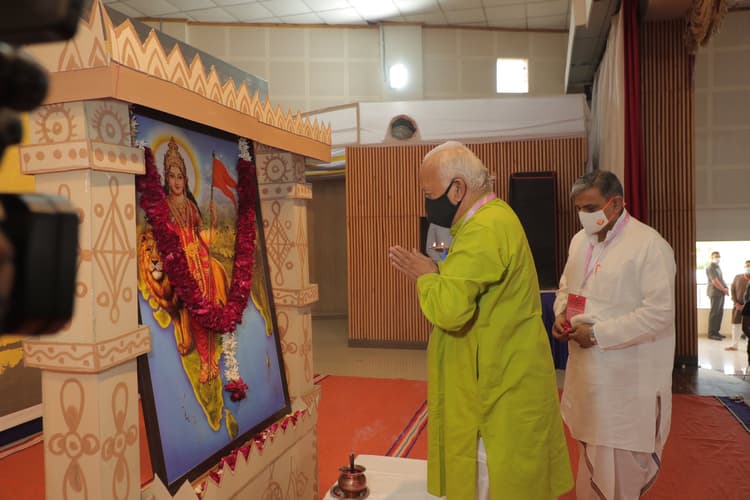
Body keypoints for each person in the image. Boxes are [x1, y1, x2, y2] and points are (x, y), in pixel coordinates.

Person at [388, 141, 573, 500]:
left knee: (494, 481)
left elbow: (450, 310)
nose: (427, 204)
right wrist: (437, 273)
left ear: (457, 189)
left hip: (497, 388)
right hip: (501, 376)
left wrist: (426, 277)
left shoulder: (484, 229)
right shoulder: (492, 218)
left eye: (429, 194)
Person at [552, 170, 675, 500]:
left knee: (618, 483)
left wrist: (598, 334)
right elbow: (567, 286)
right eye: (579, 209)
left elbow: (660, 313)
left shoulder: (649, 245)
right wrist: (562, 315)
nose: (583, 216)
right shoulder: (580, 241)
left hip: (625, 387)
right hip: (587, 379)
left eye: (591, 208)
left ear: (616, 203)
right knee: (590, 476)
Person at [163, 137, 228, 383]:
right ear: (166, 179)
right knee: (196, 319)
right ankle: (205, 362)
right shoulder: (165, 208)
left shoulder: (191, 207)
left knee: (210, 314)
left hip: (202, 264)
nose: (176, 182)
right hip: (183, 268)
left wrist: (214, 220)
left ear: (186, 180)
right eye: (172, 176)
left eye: (180, 177)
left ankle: (213, 362)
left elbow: (204, 239)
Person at [726, 260, 750, 350]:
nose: (748, 268)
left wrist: (746, 306)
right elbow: (732, 290)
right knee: (736, 325)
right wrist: (736, 303)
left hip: (748, 307)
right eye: (747, 266)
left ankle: (748, 344)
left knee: (748, 326)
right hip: (738, 306)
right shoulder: (737, 277)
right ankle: (734, 345)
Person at [706, 251, 729, 340]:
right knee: (714, 313)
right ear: (711, 257)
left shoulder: (718, 267)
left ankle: (716, 332)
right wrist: (723, 289)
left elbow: (721, 279)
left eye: (719, 256)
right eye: (716, 256)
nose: (717, 258)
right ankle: (711, 333)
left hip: (721, 293)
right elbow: (714, 281)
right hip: (715, 293)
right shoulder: (710, 267)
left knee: (719, 313)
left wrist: (726, 288)